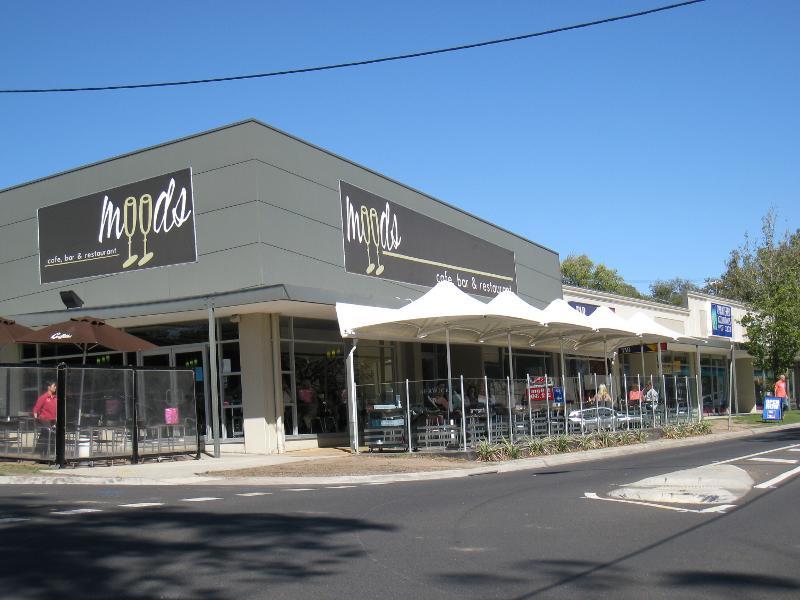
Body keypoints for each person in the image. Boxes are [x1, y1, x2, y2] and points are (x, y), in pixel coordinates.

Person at [32, 381, 57, 457]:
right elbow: (36, 409)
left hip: (53, 421)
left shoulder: (55, 398)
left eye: (55, 386)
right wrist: (36, 420)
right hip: (44, 420)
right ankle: (42, 453)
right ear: (49, 387)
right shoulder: (43, 397)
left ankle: (51, 453)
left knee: (54, 433)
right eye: (54, 386)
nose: (55, 388)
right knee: (47, 432)